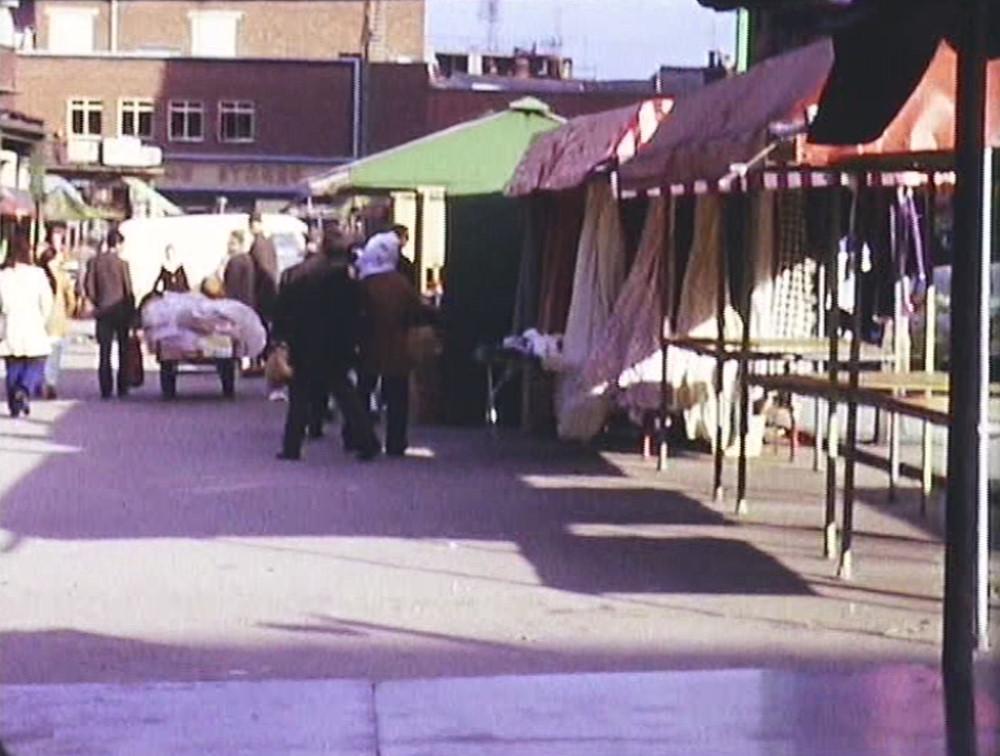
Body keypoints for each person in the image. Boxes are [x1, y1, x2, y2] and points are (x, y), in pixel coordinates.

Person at [272, 227, 379, 462]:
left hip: (304, 343)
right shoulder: (346, 280)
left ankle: (292, 447)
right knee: (345, 394)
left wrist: (281, 339)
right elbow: (355, 315)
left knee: (299, 397)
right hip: (334, 346)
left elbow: (283, 309)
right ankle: (367, 441)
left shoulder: (301, 274)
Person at [356, 229, 436, 457]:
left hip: (368, 345)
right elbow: (416, 311)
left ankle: (360, 436)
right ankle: (396, 441)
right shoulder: (400, 283)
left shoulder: (365, 282)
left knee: (363, 392)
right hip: (397, 346)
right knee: (397, 397)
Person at [0, 233, 54, 417]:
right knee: (36, 362)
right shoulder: (37, 274)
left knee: (13, 365)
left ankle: (14, 404)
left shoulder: (3, 276)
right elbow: (47, 301)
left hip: (11, 323)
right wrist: (43, 319)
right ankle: (24, 389)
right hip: (33, 323)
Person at [84, 229, 135, 399]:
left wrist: (97, 302)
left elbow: (89, 287)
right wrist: (132, 313)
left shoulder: (94, 262)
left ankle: (105, 388)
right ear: (119, 244)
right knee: (123, 350)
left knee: (104, 352)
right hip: (121, 313)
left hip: (103, 312)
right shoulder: (122, 264)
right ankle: (122, 386)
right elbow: (128, 291)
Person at [37, 231, 77, 399]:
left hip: (39, 321)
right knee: (54, 354)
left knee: (40, 354)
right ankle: (50, 382)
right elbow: (71, 300)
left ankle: (41, 381)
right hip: (57, 321)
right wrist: (68, 313)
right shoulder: (62, 277)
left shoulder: (38, 276)